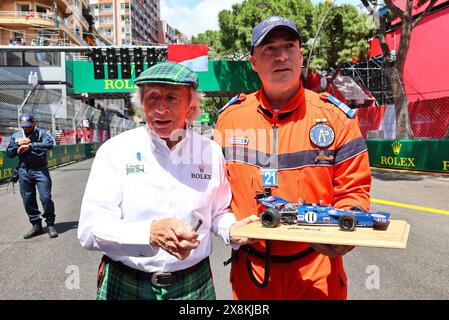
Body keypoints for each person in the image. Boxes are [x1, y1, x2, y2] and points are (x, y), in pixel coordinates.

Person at [214, 16, 371, 300]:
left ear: (300, 54)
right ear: (253, 62)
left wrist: (349, 229)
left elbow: (354, 192)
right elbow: (216, 197)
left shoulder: (336, 119)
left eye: (289, 46)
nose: (281, 56)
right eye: (269, 49)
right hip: (252, 273)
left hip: (317, 270)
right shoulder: (229, 120)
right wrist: (228, 228)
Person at [78, 61, 257, 300]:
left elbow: (218, 212)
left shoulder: (211, 152)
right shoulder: (115, 151)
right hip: (127, 280)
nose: (160, 108)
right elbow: (90, 230)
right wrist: (149, 233)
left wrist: (231, 228)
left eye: (172, 98)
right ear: (141, 104)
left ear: (192, 107)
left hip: (194, 283)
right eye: (152, 97)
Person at [6, 113, 58, 239]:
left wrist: (30, 145)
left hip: (40, 169)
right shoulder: (17, 135)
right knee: (27, 199)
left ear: (33, 123)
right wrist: (17, 145)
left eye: (28, 126)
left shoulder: (42, 133)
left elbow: (49, 144)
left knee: (45, 197)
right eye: (24, 126)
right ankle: (36, 225)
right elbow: (9, 153)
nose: (26, 129)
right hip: (24, 170)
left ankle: (50, 224)